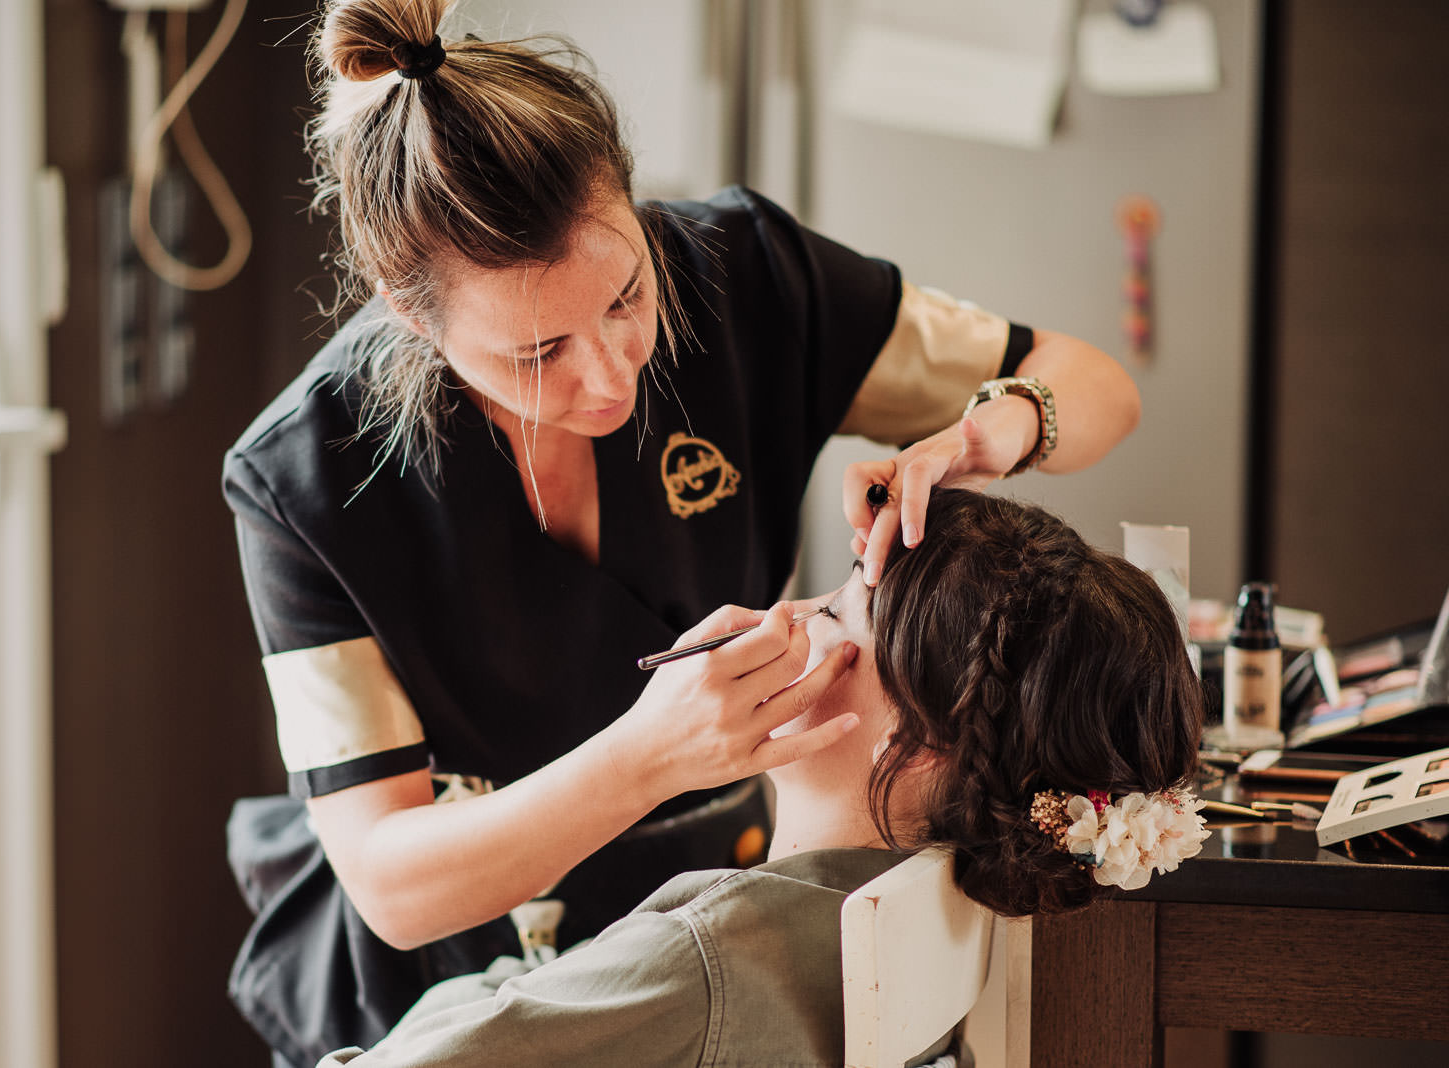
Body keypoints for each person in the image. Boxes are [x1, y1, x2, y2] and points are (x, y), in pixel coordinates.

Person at [223, 2, 1142, 1064]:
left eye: (624, 297)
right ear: (411, 312)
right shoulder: (307, 477)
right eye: (539, 353)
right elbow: (392, 881)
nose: (610, 373)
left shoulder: (745, 279)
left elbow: (1097, 384)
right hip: (459, 981)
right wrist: (648, 757)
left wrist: (990, 434)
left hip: (717, 908)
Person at [301, 488, 1208, 1068]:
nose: (781, 616)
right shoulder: (932, 903)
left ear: (929, 739)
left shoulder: (707, 967)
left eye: (834, 608)